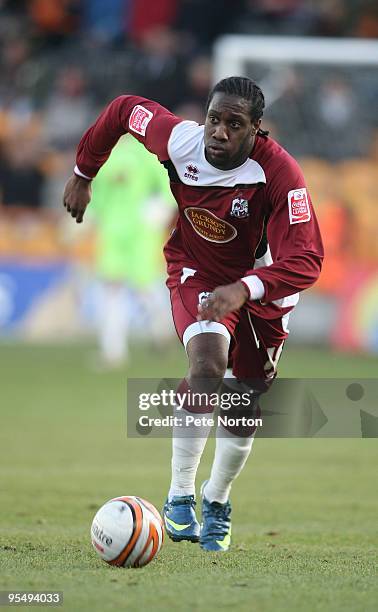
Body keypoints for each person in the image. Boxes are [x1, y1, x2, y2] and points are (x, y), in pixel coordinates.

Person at [63, 76, 323, 552]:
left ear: (256, 130)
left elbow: (306, 260)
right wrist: (84, 173)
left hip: (263, 294)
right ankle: (179, 496)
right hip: (198, 274)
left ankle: (217, 498)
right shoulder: (180, 142)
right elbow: (123, 109)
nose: (218, 133)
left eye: (234, 124)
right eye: (214, 119)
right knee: (206, 369)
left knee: (243, 405)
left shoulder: (281, 175)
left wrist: (245, 289)